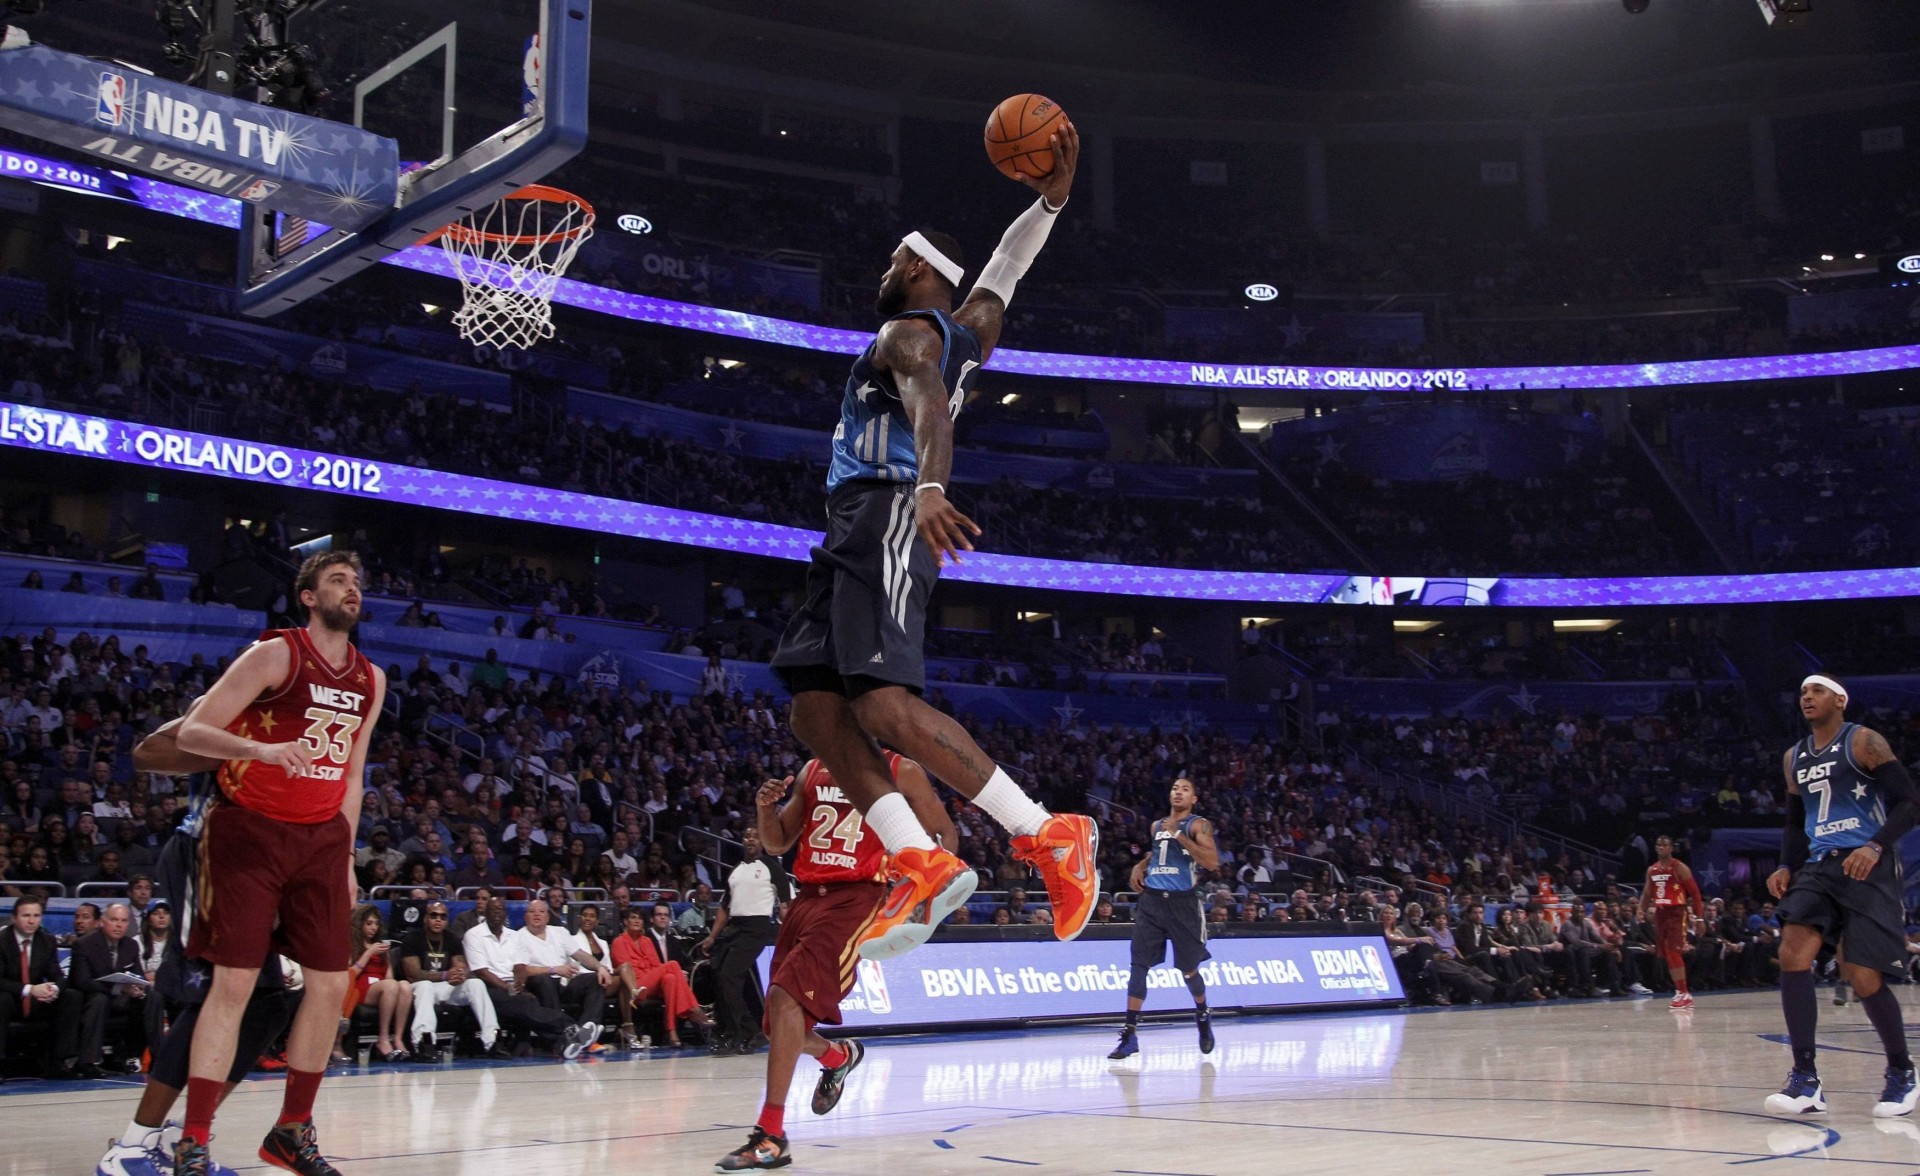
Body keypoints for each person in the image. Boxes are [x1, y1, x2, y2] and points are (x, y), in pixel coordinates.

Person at [765, 120, 1098, 963]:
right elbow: (1004, 272)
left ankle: (1047, 833)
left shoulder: (905, 336)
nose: (881, 272)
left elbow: (924, 406)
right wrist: (1050, 203)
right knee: (815, 708)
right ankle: (917, 856)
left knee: (879, 704)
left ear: (915, 269)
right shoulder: (970, 327)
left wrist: (928, 489)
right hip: (856, 525)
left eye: (890, 261)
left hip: (884, 512)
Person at [168, 550, 387, 1176]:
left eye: (357, 582)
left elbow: (351, 773)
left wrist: (345, 855)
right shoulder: (276, 654)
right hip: (250, 830)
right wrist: (260, 749)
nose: (353, 589)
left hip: (321, 838)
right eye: (339, 580)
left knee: (328, 984)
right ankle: (195, 1139)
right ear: (310, 597)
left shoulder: (372, 679)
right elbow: (190, 732)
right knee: (234, 983)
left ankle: (291, 1129)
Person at [716, 752, 954, 1172]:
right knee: (782, 1028)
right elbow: (776, 843)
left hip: (857, 898)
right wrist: (764, 809)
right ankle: (836, 1057)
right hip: (806, 899)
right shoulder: (813, 769)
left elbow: (945, 836)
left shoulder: (902, 771)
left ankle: (772, 1135)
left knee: (786, 1000)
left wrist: (920, 895)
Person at [97, 703, 302, 1176]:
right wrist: (241, 750)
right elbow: (147, 753)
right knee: (210, 998)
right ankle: (132, 1145)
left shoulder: (318, 714)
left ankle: (184, 1135)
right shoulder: (235, 704)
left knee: (268, 1004)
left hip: (262, 863)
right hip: (207, 854)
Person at [1764, 674, 1920, 1119]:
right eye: (1802, 694)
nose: (1806, 698)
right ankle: (1805, 1078)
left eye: (1816, 691)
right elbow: (1796, 822)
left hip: (1866, 861)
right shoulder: (1793, 757)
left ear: (1840, 700)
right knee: (1792, 950)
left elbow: (1910, 802)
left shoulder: (1864, 741)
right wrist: (1783, 864)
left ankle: (1901, 1071)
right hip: (1818, 864)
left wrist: (1875, 846)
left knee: (1863, 975)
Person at [1109, 777, 1218, 1060]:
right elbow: (1159, 854)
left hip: (1183, 905)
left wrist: (1180, 836)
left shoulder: (1198, 824)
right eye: (1174, 788)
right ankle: (1130, 1034)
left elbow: (1211, 862)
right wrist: (1141, 864)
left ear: (1193, 799)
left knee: (1189, 970)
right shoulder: (1157, 825)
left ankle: (1202, 1013)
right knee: (1138, 966)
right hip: (1153, 902)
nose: (1178, 792)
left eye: (1185, 789)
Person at [461, 896, 596, 1060]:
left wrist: (519, 984)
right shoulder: (474, 935)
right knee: (524, 1003)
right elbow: (482, 972)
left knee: (528, 999)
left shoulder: (513, 936)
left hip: (512, 984)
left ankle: (561, 1043)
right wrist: (508, 988)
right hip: (487, 987)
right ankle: (571, 1027)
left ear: (505, 913)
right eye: (492, 909)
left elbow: (520, 966)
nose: (497, 912)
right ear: (485, 913)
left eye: (500, 909)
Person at [702, 830, 786, 1054]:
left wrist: (793, 934)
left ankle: (747, 1031)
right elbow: (724, 907)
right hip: (734, 928)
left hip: (756, 929)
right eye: (747, 836)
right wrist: (712, 936)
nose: (750, 839)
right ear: (741, 841)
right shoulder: (735, 871)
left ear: (763, 841)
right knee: (719, 974)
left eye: (756, 836)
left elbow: (787, 905)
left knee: (728, 976)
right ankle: (733, 1033)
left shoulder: (772, 868)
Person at [400, 899, 496, 1061]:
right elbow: (413, 973)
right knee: (425, 986)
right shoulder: (412, 938)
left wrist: (460, 975)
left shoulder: (452, 939)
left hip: (445, 988)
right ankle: (424, 1042)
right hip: (418, 989)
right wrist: (445, 975)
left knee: (476, 984)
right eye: (434, 915)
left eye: (443, 917)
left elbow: (460, 966)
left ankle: (492, 1040)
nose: (438, 920)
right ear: (425, 918)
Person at [1, 894, 79, 1079]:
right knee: (1, 999)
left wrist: (54, 989)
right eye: (26, 915)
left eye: (36, 916)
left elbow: (58, 975)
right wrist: (29, 989)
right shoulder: (2, 940)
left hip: (36, 1001)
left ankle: (61, 1061)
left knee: (71, 996)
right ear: (14, 918)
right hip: (11, 999)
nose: (31, 921)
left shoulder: (47, 941)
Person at [69, 902, 151, 1077]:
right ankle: (88, 1061)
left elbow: (138, 975)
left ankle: (151, 1056)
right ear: (102, 922)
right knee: (100, 999)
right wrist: (118, 988)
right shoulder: (84, 944)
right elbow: (82, 981)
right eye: (114, 920)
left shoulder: (131, 945)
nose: (119, 925)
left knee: (152, 996)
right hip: (90, 997)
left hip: (122, 997)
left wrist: (139, 988)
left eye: (123, 921)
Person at [611, 906, 710, 1049]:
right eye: (633, 917)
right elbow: (625, 971)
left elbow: (656, 967)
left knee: (670, 978)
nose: (637, 921)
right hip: (634, 988)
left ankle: (672, 1033)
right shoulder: (618, 942)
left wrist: (656, 975)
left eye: (639, 918)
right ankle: (694, 1009)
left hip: (651, 983)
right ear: (626, 922)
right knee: (673, 965)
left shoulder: (646, 941)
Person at [514, 899, 607, 1036]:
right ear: (525, 917)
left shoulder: (560, 932)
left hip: (563, 984)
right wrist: (554, 969)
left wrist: (600, 967)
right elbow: (521, 970)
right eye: (532, 912)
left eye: (541, 911)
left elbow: (580, 955)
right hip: (537, 984)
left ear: (547, 916)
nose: (537, 915)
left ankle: (586, 1030)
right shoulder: (518, 937)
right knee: (544, 980)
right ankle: (563, 1033)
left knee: (595, 979)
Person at [339, 905, 412, 1063]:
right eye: (369, 923)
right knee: (391, 986)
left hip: (383, 988)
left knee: (405, 986)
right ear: (360, 924)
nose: (373, 927)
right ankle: (383, 1039)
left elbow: (389, 976)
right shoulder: (353, 944)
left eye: (376, 923)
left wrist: (382, 954)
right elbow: (350, 974)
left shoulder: (381, 947)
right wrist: (369, 952)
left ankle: (398, 1038)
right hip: (360, 988)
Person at [1639, 835, 1704, 1009]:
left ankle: (1684, 992)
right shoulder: (1652, 870)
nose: (1661, 847)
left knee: (1673, 951)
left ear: (1671, 848)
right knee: (1667, 954)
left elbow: (1696, 894)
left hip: (1676, 911)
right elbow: (1647, 893)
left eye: (1664, 844)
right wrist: (1641, 909)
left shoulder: (1679, 867)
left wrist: (1699, 918)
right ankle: (1680, 991)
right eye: (1658, 844)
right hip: (1660, 912)